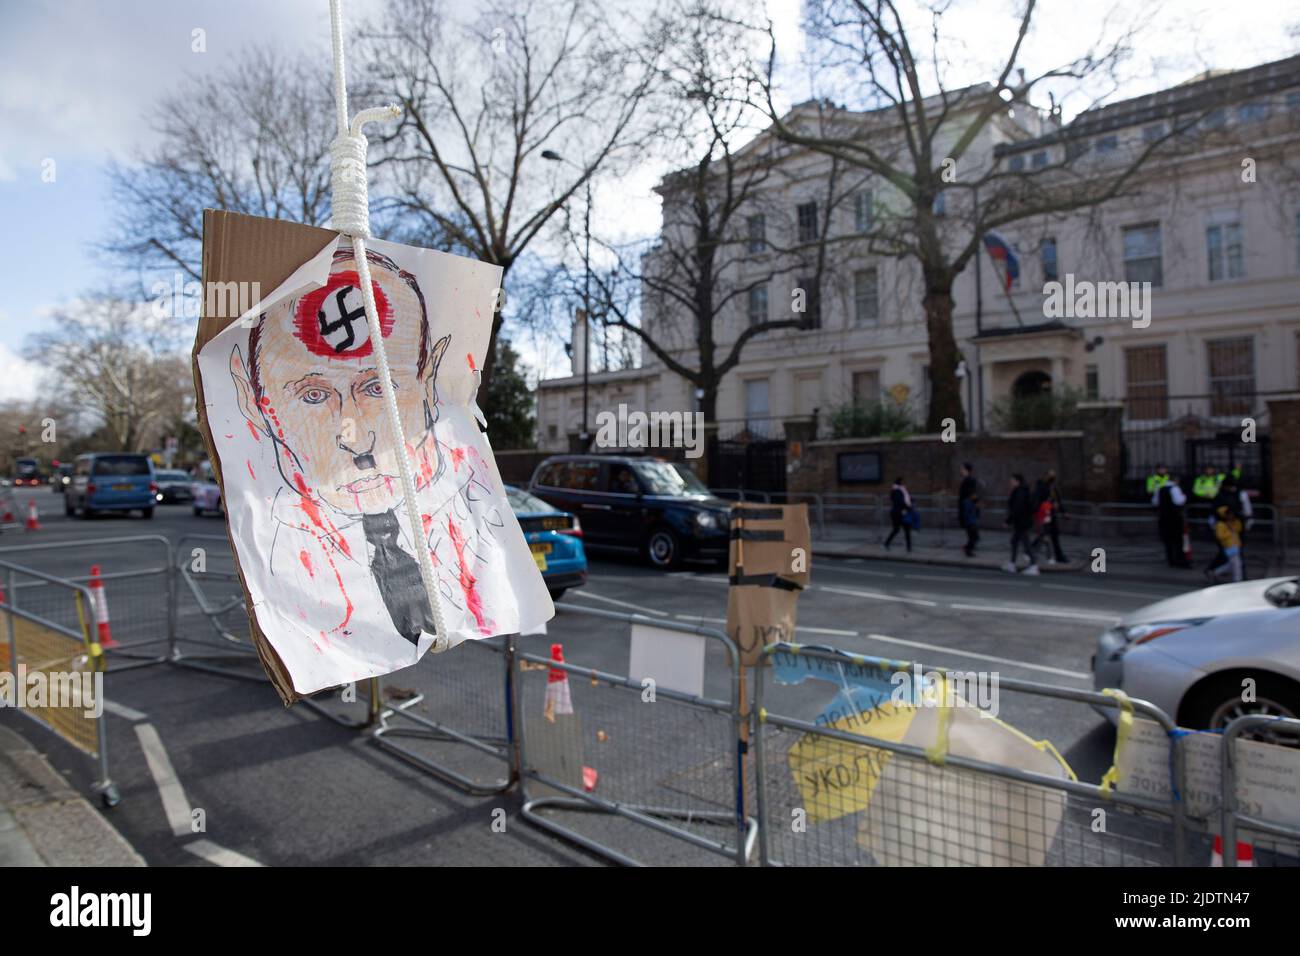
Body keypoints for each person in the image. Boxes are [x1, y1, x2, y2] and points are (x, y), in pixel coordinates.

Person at [225, 245, 550, 691]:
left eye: (378, 388)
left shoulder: (477, 526)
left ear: (430, 377)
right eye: (314, 396)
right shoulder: (280, 558)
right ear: (256, 401)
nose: (355, 436)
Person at [1029, 469, 1067, 564]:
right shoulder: (1041, 487)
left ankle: (1057, 556)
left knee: (1053, 535)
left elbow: (1058, 501)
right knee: (1044, 534)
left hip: (1051, 514)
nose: (1052, 478)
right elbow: (1037, 500)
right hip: (1044, 514)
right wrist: (1033, 512)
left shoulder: (1053, 488)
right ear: (1045, 476)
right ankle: (1032, 551)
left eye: (1053, 476)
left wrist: (1064, 512)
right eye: (1050, 476)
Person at [1004, 474, 1039, 575]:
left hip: (1022, 522)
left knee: (1026, 544)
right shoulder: (1022, 491)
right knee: (1014, 541)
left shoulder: (1020, 492)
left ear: (1017, 481)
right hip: (1022, 522)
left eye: (1012, 480)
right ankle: (1012, 564)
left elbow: (1017, 509)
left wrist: (1008, 521)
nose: (1010, 483)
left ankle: (1034, 565)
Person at [1154, 474, 1191, 568]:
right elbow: (1179, 501)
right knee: (1178, 540)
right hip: (1174, 518)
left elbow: (1155, 502)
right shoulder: (1175, 488)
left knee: (1168, 541)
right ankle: (1180, 560)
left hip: (1163, 518)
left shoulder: (1160, 488)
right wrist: (1184, 496)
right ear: (1176, 480)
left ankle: (1170, 560)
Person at [1209, 494, 1244, 583]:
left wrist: (1233, 525)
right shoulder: (1221, 525)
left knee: (1231, 565)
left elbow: (1239, 528)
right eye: (1229, 514)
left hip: (1236, 545)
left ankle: (1215, 572)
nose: (1231, 516)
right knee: (1237, 565)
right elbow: (1220, 536)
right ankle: (1237, 581)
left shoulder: (1234, 522)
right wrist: (1229, 531)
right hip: (1228, 546)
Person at [884, 476, 913, 552]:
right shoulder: (897, 491)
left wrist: (911, 501)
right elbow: (900, 502)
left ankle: (908, 547)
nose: (904, 483)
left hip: (900, 512)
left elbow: (904, 499)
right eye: (903, 482)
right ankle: (908, 547)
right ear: (900, 482)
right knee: (900, 529)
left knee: (902, 529)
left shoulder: (899, 490)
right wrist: (908, 507)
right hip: (898, 513)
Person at [958, 462, 980, 557]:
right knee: (971, 532)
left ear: (967, 470)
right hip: (967, 509)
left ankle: (968, 548)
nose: (961, 470)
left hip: (968, 510)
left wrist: (975, 504)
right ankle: (968, 548)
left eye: (962, 469)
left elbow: (973, 494)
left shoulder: (970, 481)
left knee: (973, 533)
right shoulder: (967, 480)